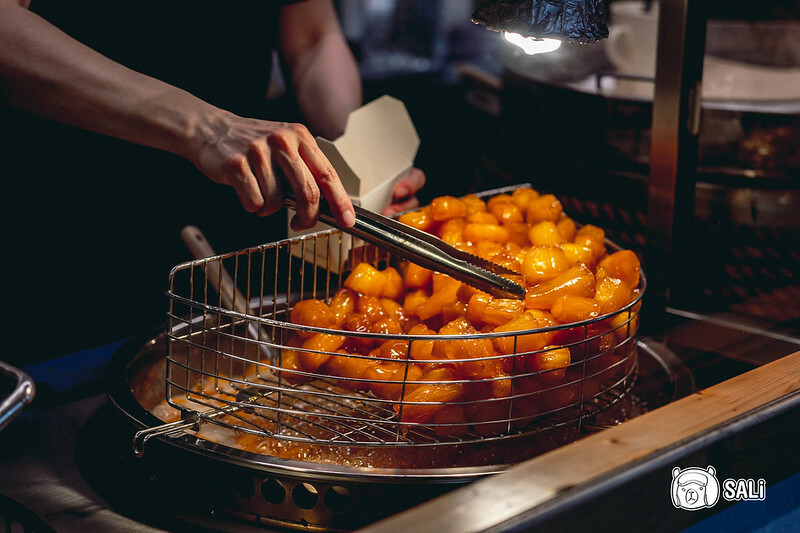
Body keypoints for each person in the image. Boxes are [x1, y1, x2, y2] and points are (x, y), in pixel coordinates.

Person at [0, 0, 426, 364]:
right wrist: (205, 127)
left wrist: (349, 168)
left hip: (241, 200)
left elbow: (313, 38)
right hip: (68, 218)